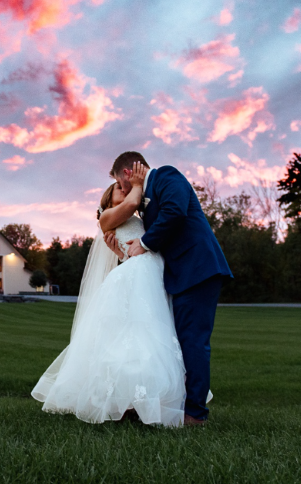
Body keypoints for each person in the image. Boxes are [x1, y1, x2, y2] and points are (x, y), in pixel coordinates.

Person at [32, 164, 194, 427]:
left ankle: (142, 400)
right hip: (139, 274)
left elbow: (134, 245)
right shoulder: (107, 217)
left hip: (150, 270)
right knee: (136, 335)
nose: (126, 189)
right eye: (119, 188)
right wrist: (139, 184)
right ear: (108, 200)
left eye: (126, 187)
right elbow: (132, 204)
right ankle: (130, 401)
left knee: (151, 333)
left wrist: (122, 254)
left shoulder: (138, 218)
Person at [107, 152, 232, 425]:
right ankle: (165, 405)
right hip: (178, 275)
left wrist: (144, 242)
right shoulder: (142, 200)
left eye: (119, 182)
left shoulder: (166, 175)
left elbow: (175, 211)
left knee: (193, 341)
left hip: (198, 269)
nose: (122, 188)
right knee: (173, 344)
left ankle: (195, 415)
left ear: (126, 173)